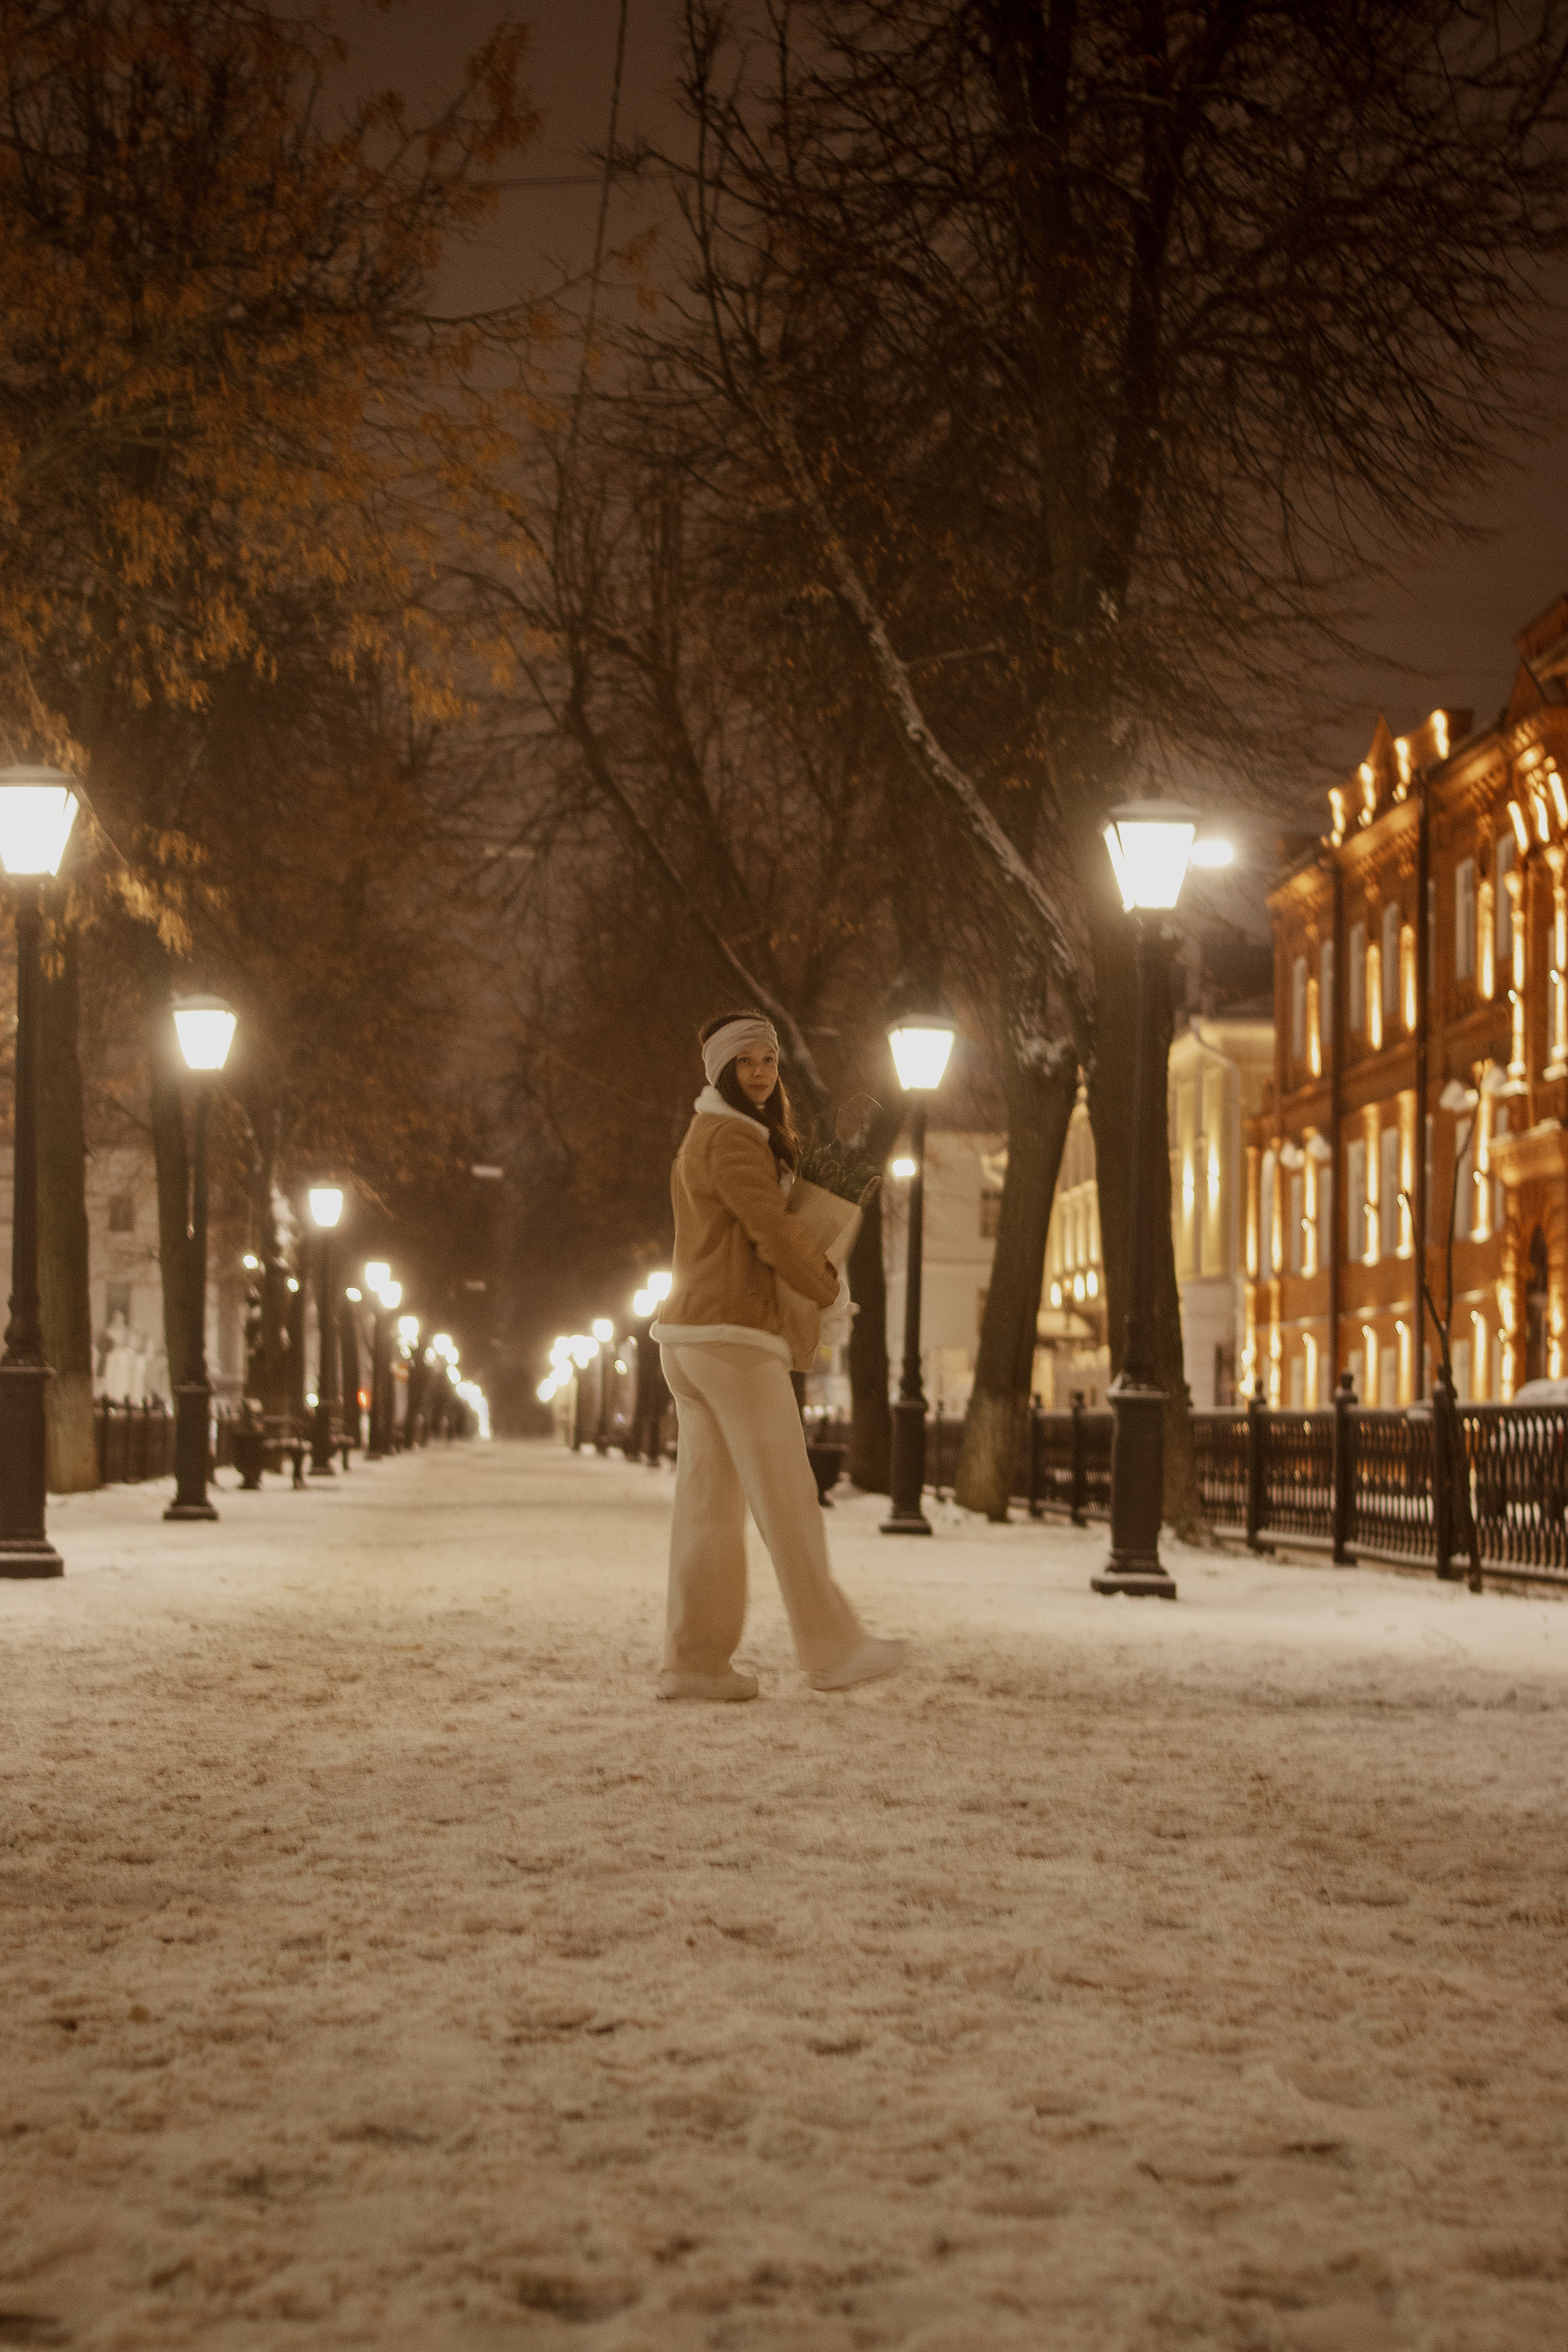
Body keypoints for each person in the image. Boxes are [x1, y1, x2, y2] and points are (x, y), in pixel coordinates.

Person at [649, 1010, 907, 1701]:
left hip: (694, 1340)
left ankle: (695, 1662)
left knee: (708, 1507)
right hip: (732, 1338)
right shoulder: (732, 1138)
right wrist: (825, 1287)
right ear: (720, 1072)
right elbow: (767, 1229)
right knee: (787, 1497)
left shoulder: (712, 1133)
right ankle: (832, 1649)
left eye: (767, 1059)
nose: (760, 1072)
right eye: (745, 1062)